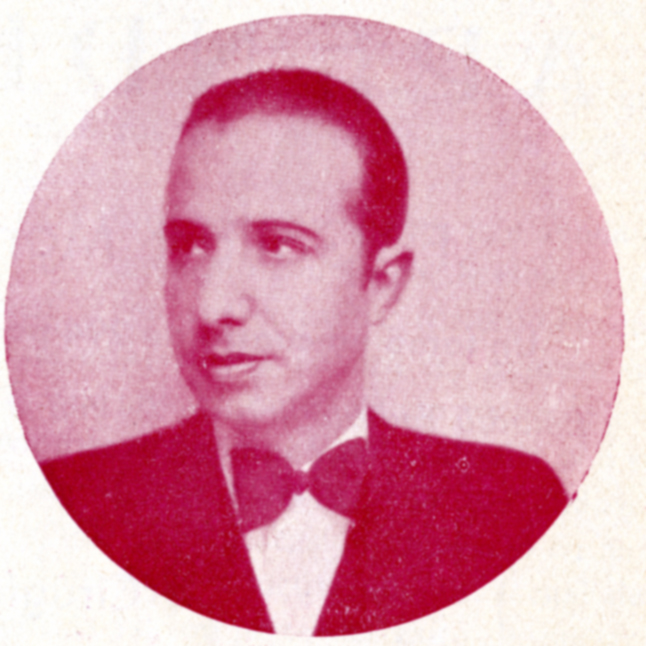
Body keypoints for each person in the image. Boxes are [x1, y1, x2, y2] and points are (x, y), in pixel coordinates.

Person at [41, 69, 568, 636]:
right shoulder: (69, 505)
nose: (213, 306)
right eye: (190, 245)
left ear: (382, 285)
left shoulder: (506, 506)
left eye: (278, 245)